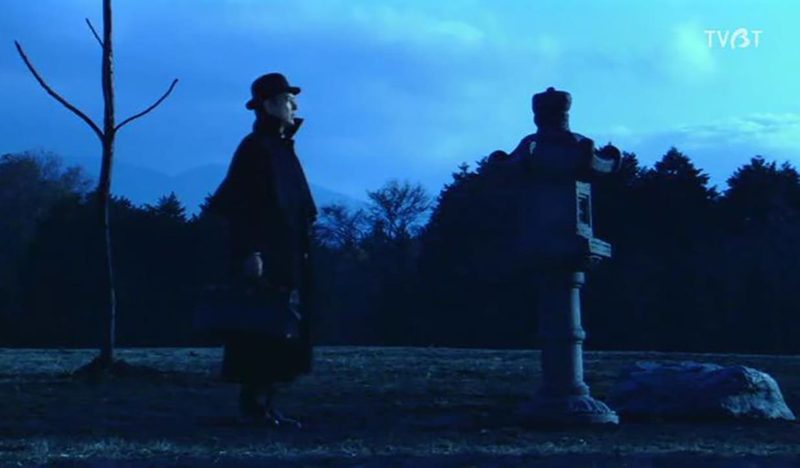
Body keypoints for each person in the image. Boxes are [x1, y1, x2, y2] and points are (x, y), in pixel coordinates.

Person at [207, 72, 317, 427]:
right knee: (261, 330)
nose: (294, 106)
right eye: (287, 100)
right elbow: (239, 205)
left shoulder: (280, 147)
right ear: (269, 105)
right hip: (268, 256)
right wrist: (251, 251)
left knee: (282, 331)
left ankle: (267, 404)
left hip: (288, 254)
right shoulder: (256, 148)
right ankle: (255, 405)